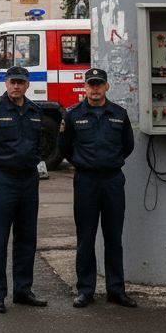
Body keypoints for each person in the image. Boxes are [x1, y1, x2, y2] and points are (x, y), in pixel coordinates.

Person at [0, 64, 47, 314]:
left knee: (27, 238)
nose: (16, 86)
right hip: (4, 179)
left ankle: (23, 290)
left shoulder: (35, 110)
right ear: (6, 83)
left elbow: (42, 143)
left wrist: (31, 159)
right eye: (12, 81)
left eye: (21, 82)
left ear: (27, 85)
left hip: (29, 180)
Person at [58, 67, 136, 309]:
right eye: (91, 84)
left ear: (106, 87)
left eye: (99, 84)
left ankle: (116, 289)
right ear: (85, 87)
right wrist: (84, 164)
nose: (94, 89)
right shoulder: (72, 115)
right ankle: (85, 289)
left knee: (114, 238)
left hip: (112, 181)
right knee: (86, 237)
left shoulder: (119, 115)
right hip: (86, 181)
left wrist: (108, 163)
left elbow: (128, 146)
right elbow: (65, 147)